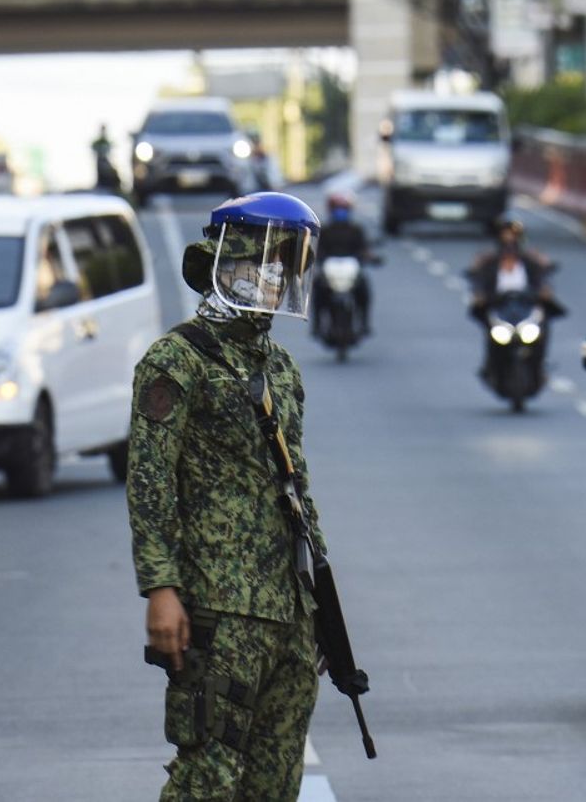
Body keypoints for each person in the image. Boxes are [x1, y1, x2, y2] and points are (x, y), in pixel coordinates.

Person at [128, 192, 327, 802]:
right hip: (218, 607)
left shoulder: (282, 369)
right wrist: (161, 589)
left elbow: (296, 487)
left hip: (286, 614)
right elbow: (149, 483)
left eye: (284, 264)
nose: (272, 277)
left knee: (275, 785)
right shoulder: (176, 361)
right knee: (207, 780)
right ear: (221, 262)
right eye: (260, 262)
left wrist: (319, 599)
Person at [468, 215, 560, 377]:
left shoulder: (531, 261)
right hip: (499, 305)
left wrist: (544, 291)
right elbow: (478, 280)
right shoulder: (489, 262)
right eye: (505, 236)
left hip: (526, 304)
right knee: (490, 329)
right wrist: (479, 295)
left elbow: (543, 278)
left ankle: (540, 364)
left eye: (512, 236)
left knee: (543, 324)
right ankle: (490, 364)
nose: (509, 241)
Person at [311, 192, 374, 336]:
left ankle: (364, 321)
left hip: (350, 269)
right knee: (318, 288)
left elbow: (364, 248)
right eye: (337, 209)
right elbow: (317, 249)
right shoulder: (324, 230)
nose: (340, 212)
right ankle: (317, 323)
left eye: (343, 209)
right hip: (330, 269)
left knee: (363, 287)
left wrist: (369, 257)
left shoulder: (356, 230)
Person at [91, 124, 121, 191]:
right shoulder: (98, 142)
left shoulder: (107, 141)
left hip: (106, 161)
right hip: (100, 161)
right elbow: (93, 147)